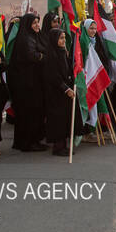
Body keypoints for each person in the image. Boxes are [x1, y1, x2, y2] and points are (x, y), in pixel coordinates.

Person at [8, 13, 48, 151]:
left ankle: (27, 141)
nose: (37, 25)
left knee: (30, 114)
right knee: (30, 113)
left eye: (38, 22)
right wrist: (44, 57)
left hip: (33, 82)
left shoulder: (34, 36)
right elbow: (32, 56)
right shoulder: (25, 39)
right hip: (28, 84)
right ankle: (29, 143)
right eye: (34, 23)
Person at [43, 28, 77, 156]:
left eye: (64, 38)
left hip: (63, 92)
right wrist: (66, 88)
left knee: (64, 118)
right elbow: (53, 76)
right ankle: (58, 147)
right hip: (55, 92)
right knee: (57, 119)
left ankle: (63, 145)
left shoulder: (62, 52)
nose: (63, 41)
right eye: (61, 38)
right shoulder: (51, 55)